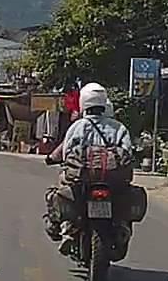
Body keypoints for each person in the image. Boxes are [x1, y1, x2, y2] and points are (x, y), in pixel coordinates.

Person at [44, 83, 133, 254]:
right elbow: (128, 152)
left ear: (83, 102)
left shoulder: (77, 126)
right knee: (123, 196)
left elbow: (67, 152)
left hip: (83, 177)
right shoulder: (119, 127)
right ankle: (122, 227)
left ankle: (66, 228)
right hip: (113, 180)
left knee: (64, 188)